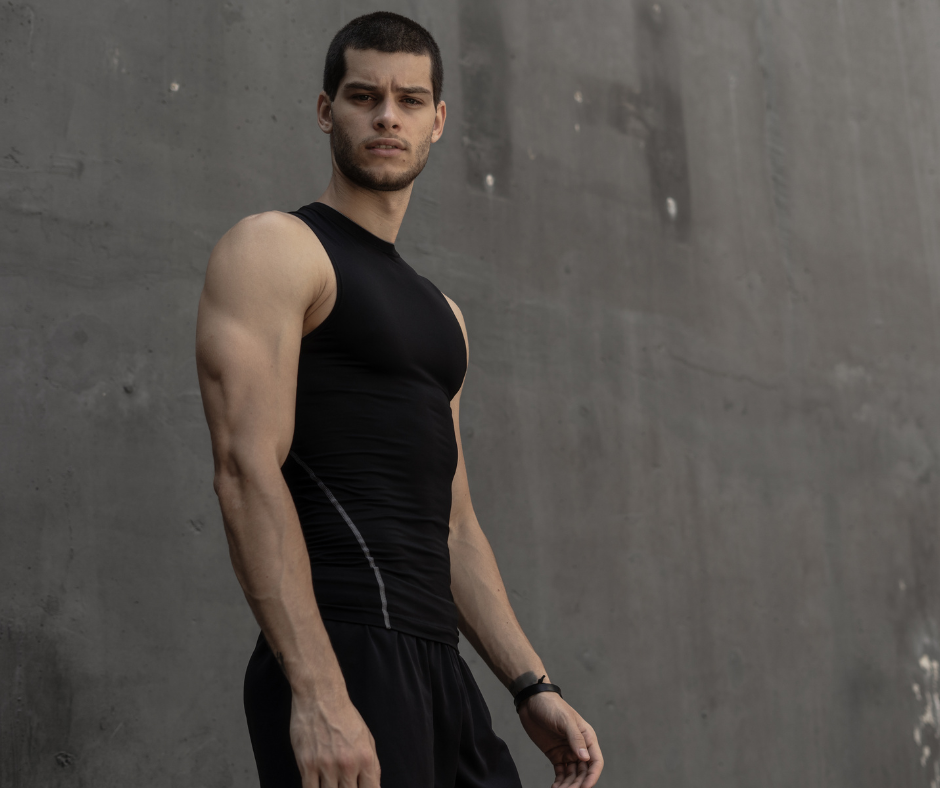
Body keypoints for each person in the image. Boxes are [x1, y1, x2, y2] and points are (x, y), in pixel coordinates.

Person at [196, 11, 603, 788]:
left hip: (439, 671)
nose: (388, 116)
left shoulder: (443, 316)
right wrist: (319, 692)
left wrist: (531, 685)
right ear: (327, 111)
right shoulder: (277, 249)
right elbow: (245, 469)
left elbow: (453, 525)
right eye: (364, 96)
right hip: (343, 653)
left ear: (437, 121)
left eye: (410, 100)